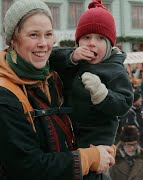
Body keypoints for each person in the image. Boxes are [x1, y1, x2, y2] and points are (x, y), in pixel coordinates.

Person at [0, 0, 114, 179]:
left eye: (48, 34)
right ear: (13, 40)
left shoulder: (54, 76)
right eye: (33, 35)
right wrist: (88, 158)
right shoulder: (5, 94)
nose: (43, 44)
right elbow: (26, 166)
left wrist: (102, 148)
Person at [50, 0, 133, 179]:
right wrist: (71, 56)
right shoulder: (76, 60)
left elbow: (124, 103)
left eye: (100, 38)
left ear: (110, 44)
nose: (92, 43)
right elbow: (51, 59)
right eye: (86, 37)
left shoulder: (115, 70)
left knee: (91, 173)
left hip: (97, 136)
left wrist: (102, 94)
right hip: (69, 133)